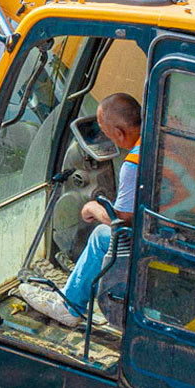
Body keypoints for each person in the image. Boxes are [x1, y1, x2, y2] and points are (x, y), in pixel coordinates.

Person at [19, 93, 142, 327]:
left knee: (102, 236)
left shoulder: (134, 164)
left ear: (119, 134)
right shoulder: (161, 141)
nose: (106, 138)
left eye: (106, 133)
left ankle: (68, 306)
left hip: (160, 242)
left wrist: (93, 208)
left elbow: (122, 221)